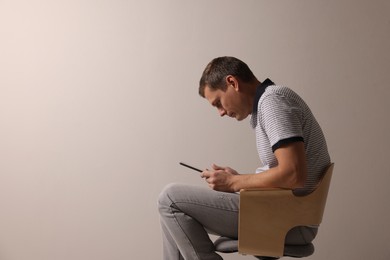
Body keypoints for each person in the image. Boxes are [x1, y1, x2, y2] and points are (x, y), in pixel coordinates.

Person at [158, 56, 330, 260]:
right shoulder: (270, 102)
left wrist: (234, 182)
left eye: (218, 103)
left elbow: (294, 174)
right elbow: (289, 173)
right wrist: (240, 180)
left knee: (169, 199)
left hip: (288, 219)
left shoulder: (272, 101)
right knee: (170, 209)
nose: (220, 112)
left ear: (232, 83)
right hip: (286, 213)